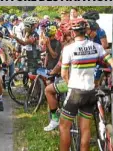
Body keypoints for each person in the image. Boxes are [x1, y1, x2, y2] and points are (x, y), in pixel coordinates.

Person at [59, 18, 113, 151]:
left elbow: (64, 74)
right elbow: (110, 60)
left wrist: (69, 84)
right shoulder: (97, 47)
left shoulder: (68, 49)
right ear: (86, 31)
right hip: (91, 92)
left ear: (73, 33)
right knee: (85, 129)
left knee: (64, 126)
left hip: (76, 92)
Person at [43, 20, 73, 132]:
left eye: (61, 35)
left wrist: (52, 73)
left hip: (71, 82)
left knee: (48, 90)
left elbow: (60, 64)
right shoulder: (90, 45)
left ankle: (55, 120)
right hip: (88, 85)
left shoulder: (67, 48)